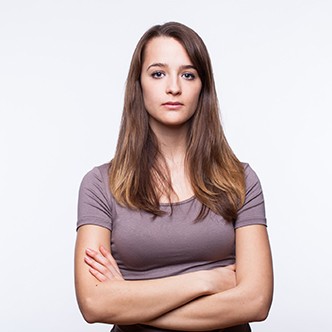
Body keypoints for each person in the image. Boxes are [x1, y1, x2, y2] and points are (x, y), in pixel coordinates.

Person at [74, 22, 273, 332]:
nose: (174, 88)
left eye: (188, 74)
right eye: (158, 73)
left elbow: (256, 301)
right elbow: (94, 304)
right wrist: (207, 280)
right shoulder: (100, 185)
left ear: (202, 87)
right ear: (138, 85)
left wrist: (128, 303)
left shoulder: (240, 180)